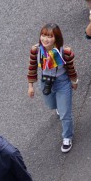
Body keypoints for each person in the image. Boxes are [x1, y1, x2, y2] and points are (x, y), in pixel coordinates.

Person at [27, 23, 78, 153]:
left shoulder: (65, 52)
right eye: (43, 35)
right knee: (51, 105)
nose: (45, 39)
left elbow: (71, 68)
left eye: (49, 36)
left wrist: (74, 81)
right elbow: (32, 68)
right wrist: (30, 86)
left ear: (56, 38)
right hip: (46, 81)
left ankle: (67, 137)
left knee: (65, 113)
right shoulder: (36, 50)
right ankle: (59, 108)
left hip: (62, 82)